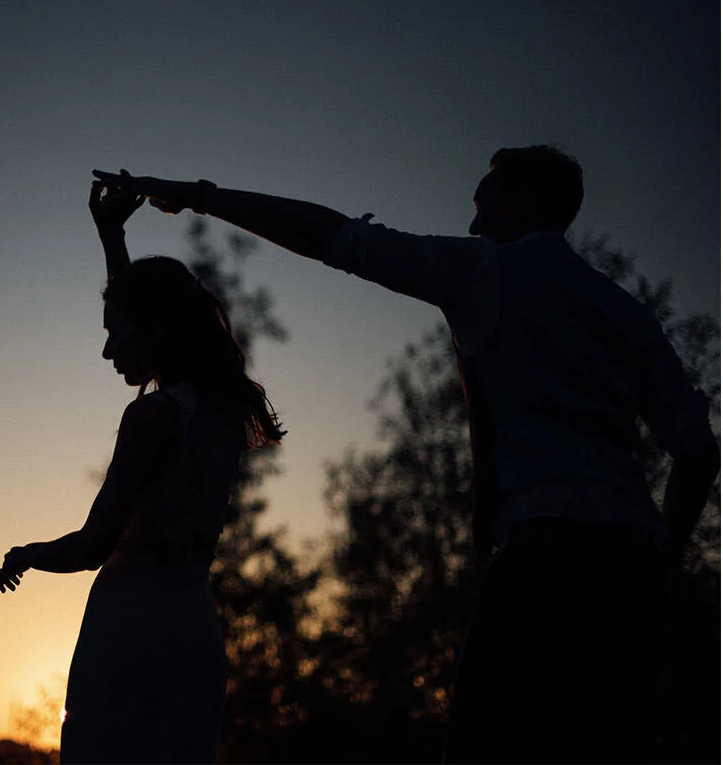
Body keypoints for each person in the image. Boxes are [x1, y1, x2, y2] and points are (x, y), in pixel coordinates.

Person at [92, 148, 719, 763]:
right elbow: (698, 450)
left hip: (543, 556)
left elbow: (327, 235)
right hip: (632, 576)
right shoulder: (626, 312)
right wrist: (660, 557)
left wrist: (200, 195)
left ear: (527, 199)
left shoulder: (481, 269)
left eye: (485, 201)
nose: (473, 223)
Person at [0, 176, 285, 763]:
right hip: (193, 630)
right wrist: (112, 240)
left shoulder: (153, 418)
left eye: (112, 334)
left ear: (153, 330)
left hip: (131, 629)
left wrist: (27, 553)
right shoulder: (218, 406)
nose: (107, 350)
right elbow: (152, 320)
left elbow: (92, 545)